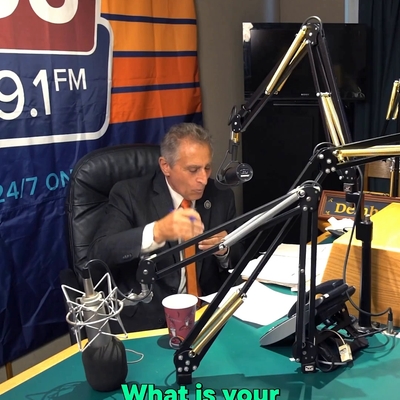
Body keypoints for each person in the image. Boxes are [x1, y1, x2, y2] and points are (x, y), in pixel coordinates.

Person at [87, 122, 244, 332]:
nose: (203, 179)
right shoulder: (130, 195)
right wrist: (157, 232)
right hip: (150, 320)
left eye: (207, 168)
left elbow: (240, 257)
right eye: (193, 170)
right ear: (165, 166)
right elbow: (99, 254)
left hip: (207, 314)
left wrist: (224, 250)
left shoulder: (220, 196)